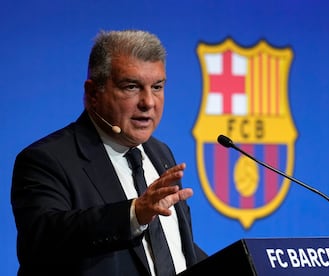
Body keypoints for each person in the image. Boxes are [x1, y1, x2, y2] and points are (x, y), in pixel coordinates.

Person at [11, 30, 207, 276]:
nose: (148, 102)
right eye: (132, 87)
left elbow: (175, 249)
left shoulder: (160, 152)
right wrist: (134, 213)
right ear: (93, 93)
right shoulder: (47, 160)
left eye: (157, 87)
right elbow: (44, 238)